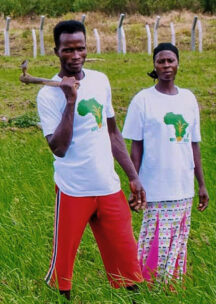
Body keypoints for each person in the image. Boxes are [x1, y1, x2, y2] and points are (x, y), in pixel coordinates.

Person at [35, 20, 146, 300]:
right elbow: (58, 148)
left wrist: (133, 176)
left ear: (87, 48)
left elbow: (112, 133)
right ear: (56, 51)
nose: (75, 56)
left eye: (81, 49)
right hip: (73, 189)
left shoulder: (100, 80)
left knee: (128, 263)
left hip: (108, 187)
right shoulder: (47, 94)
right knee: (64, 270)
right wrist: (70, 101)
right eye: (68, 50)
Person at [122, 43, 209, 284]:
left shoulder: (188, 99)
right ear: (154, 64)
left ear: (178, 63)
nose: (166, 66)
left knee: (178, 242)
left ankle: (172, 289)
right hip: (154, 187)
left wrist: (201, 184)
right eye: (161, 61)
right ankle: (145, 287)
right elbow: (136, 147)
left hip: (183, 187)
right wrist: (134, 182)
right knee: (152, 241)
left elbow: (194, 145)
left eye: (171, 60)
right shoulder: (143, 100)